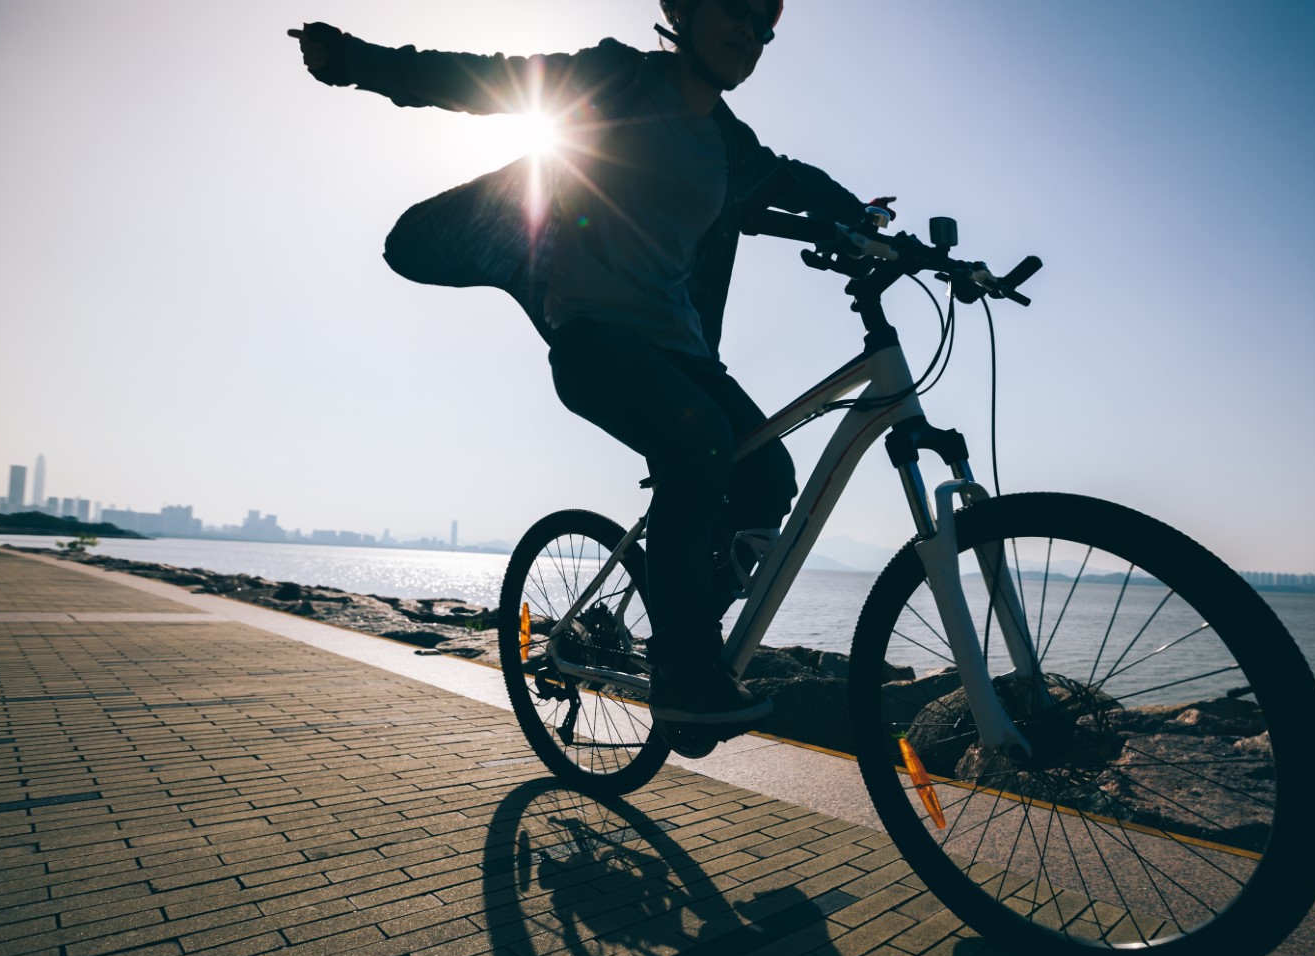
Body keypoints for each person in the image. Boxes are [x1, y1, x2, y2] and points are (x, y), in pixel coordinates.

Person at [292, 1, 882, 726]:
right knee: (700, 440)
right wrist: (357, 62)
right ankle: (683, 669)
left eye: (765, 26)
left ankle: (684, 613)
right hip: (595, 337)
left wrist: (867, 219)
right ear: (687, 11)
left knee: (766, 477)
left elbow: (793, 183)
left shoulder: (729, 145)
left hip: (684, 351)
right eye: (734, 8)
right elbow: (484, 80)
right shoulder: (618, 81)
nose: (750, 32)